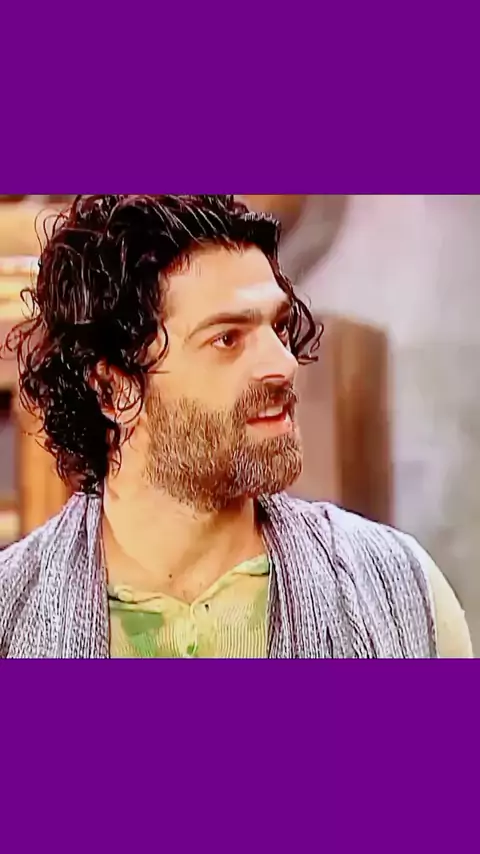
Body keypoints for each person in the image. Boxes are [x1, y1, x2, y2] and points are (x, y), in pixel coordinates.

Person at [0, 195, 472, 658]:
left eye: (279, 328)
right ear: (114, 390)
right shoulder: (13, 613)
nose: (283, 365)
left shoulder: (401, 594)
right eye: (227, 338)